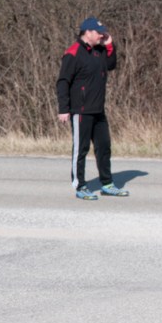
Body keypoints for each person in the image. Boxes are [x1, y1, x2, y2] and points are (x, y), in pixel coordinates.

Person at [56, 16, 129, 200]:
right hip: (80, 111)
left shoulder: (99, 51)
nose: (102, 35)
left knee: (104, 147)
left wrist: (110, 45)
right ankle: (80, 186)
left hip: (98, 110)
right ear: (87, 32)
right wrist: (64, 109)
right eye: (99, 32)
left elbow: (111, 65)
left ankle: (107, 184)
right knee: (80, 150)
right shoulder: (73, 53)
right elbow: (63, 82)